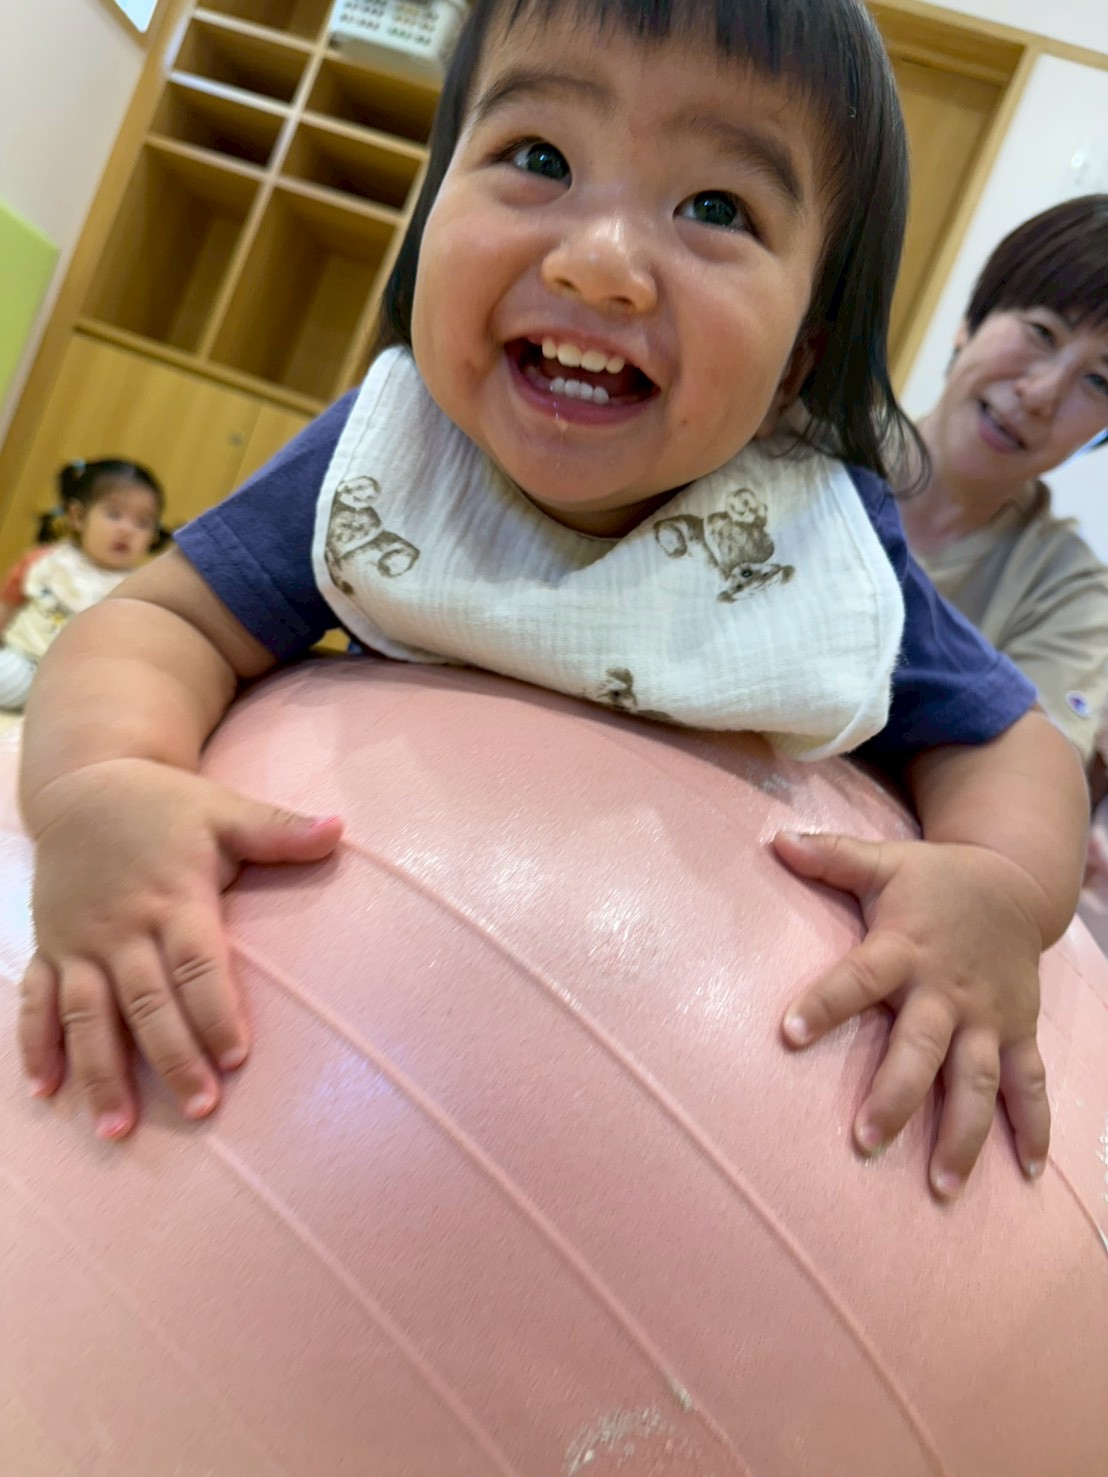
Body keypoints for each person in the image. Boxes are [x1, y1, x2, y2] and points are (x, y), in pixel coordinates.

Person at [16, 0, 1088, 1205]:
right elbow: (158, 623)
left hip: (692, 1100)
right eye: (538, 157)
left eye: (715, 209)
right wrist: (106, 782)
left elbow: (1008, 739)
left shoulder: (810, 538)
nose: (600, 261)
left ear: (799, 357)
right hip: (344, 1044)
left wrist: (995, 887)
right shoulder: (389, 454)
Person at [900, 196, 1108, 763]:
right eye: (1042, 332)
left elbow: (1025, 780)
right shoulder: (802, 443)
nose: (1040, 395)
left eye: (1098, 382)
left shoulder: (1068, 594)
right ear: (971, 322)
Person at [0, 459, 165, 711]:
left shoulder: (139, 587)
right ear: (77, 516)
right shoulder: (47, 561)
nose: (127, 530)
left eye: (142, 523)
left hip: (78, 683)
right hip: (23, 661)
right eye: (114, 515)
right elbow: (8, 604)